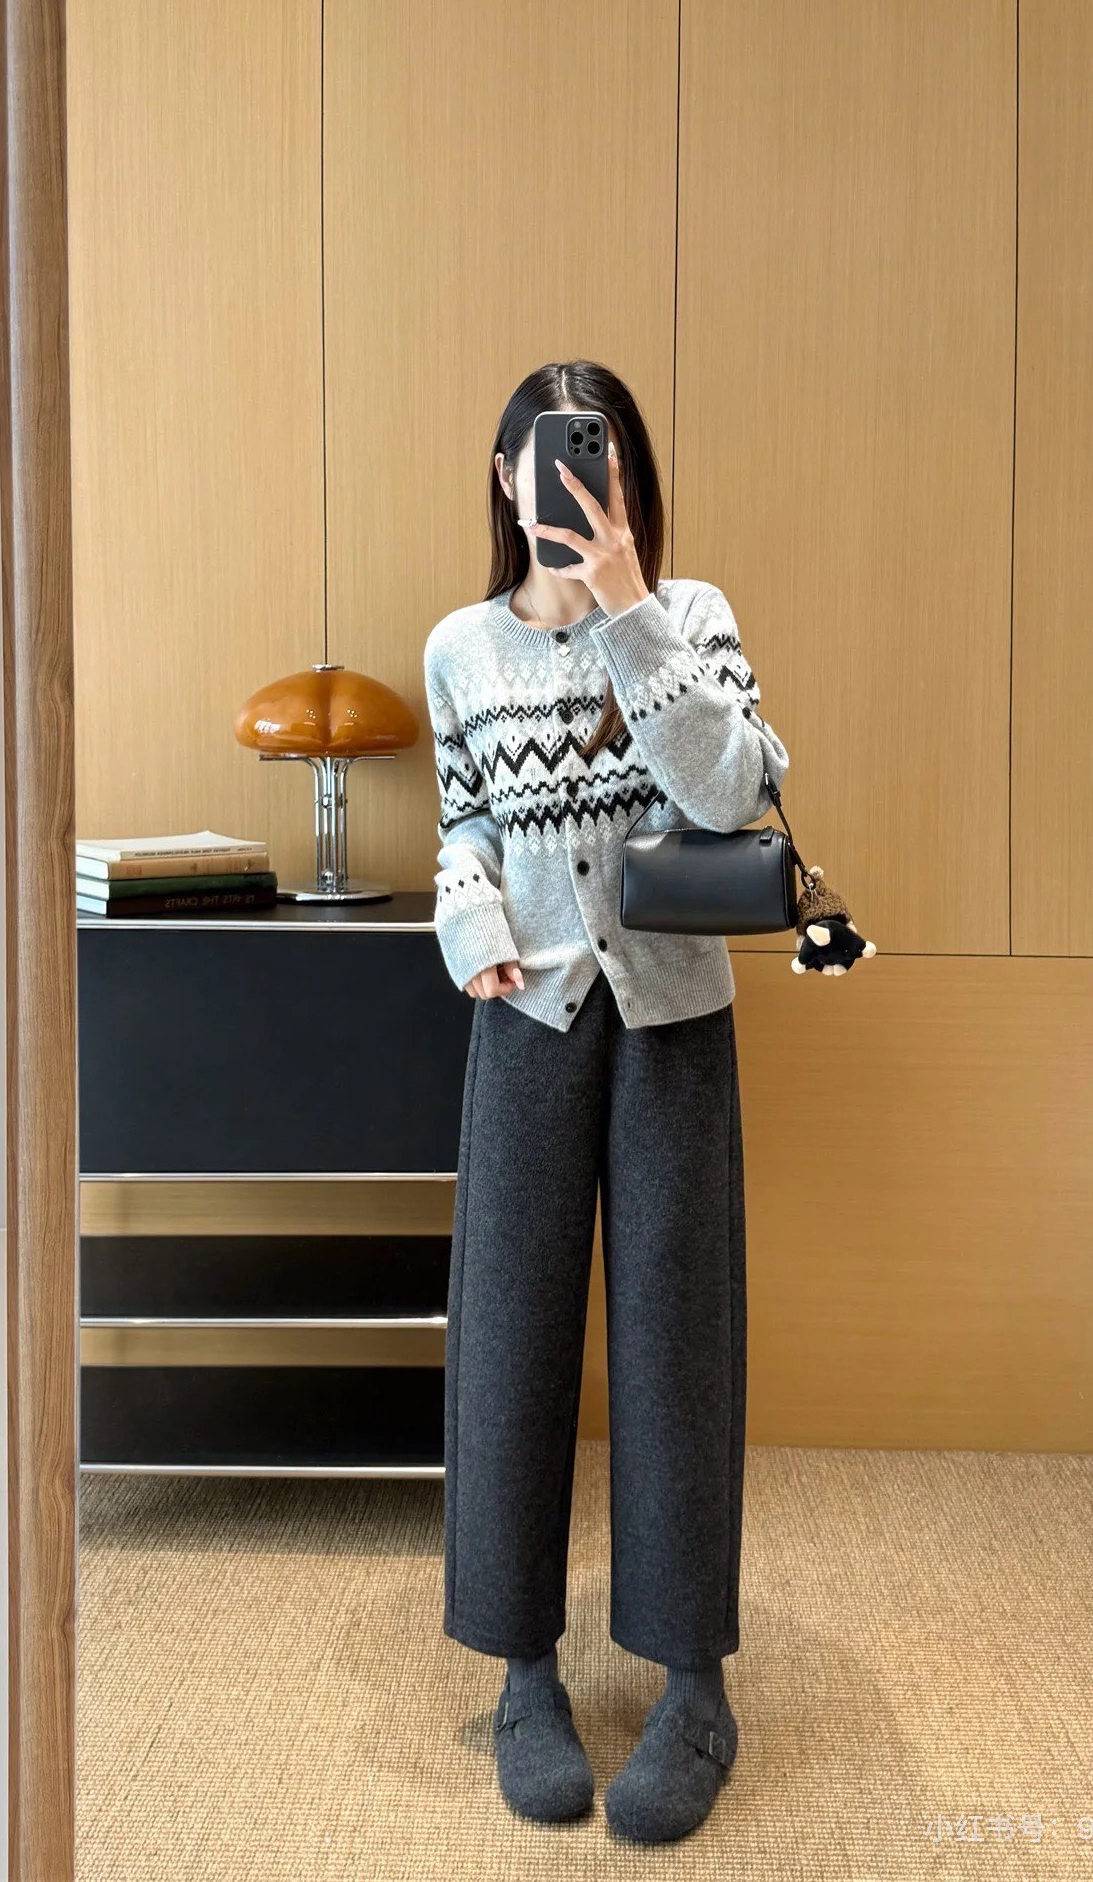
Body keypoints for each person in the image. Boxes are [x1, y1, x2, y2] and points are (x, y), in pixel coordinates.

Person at [421, 359, 791, 1844]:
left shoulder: (691, 616)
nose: (576, 483)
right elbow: (462, 821)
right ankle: (525, 1672)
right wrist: (467, 920)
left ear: (629, 477)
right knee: (508, 1339)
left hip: (672, 1023)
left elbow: (732, 794)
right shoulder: (461, 649)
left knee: (680, 1341)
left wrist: (631, 604)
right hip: (526, 1018)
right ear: (504, 477)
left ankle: (694, 1685)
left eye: (603, 459)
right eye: (552, 460)